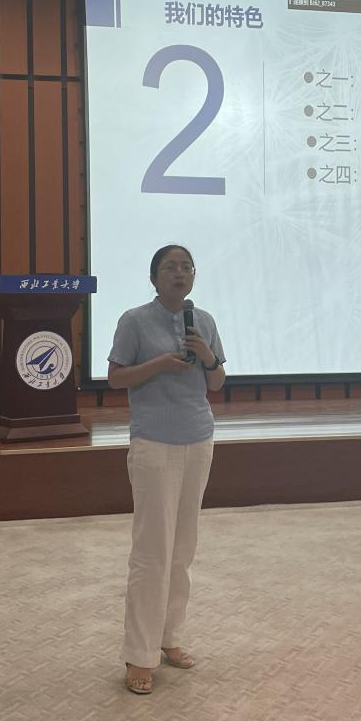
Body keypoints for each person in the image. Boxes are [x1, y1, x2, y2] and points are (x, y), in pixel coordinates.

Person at [107, 245, 226, 695]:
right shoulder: (134, 321)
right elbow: (116, 378)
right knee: (153, 551)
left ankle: (168, 637)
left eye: (186, 267)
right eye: (170, 267)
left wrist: (207, 356)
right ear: (154, 278)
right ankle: (139, 654)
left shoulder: (204, 321)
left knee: (183, 548)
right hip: (154, 441)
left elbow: (217, 381)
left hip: (198, 438)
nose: (180, 273)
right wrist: (158, 364)